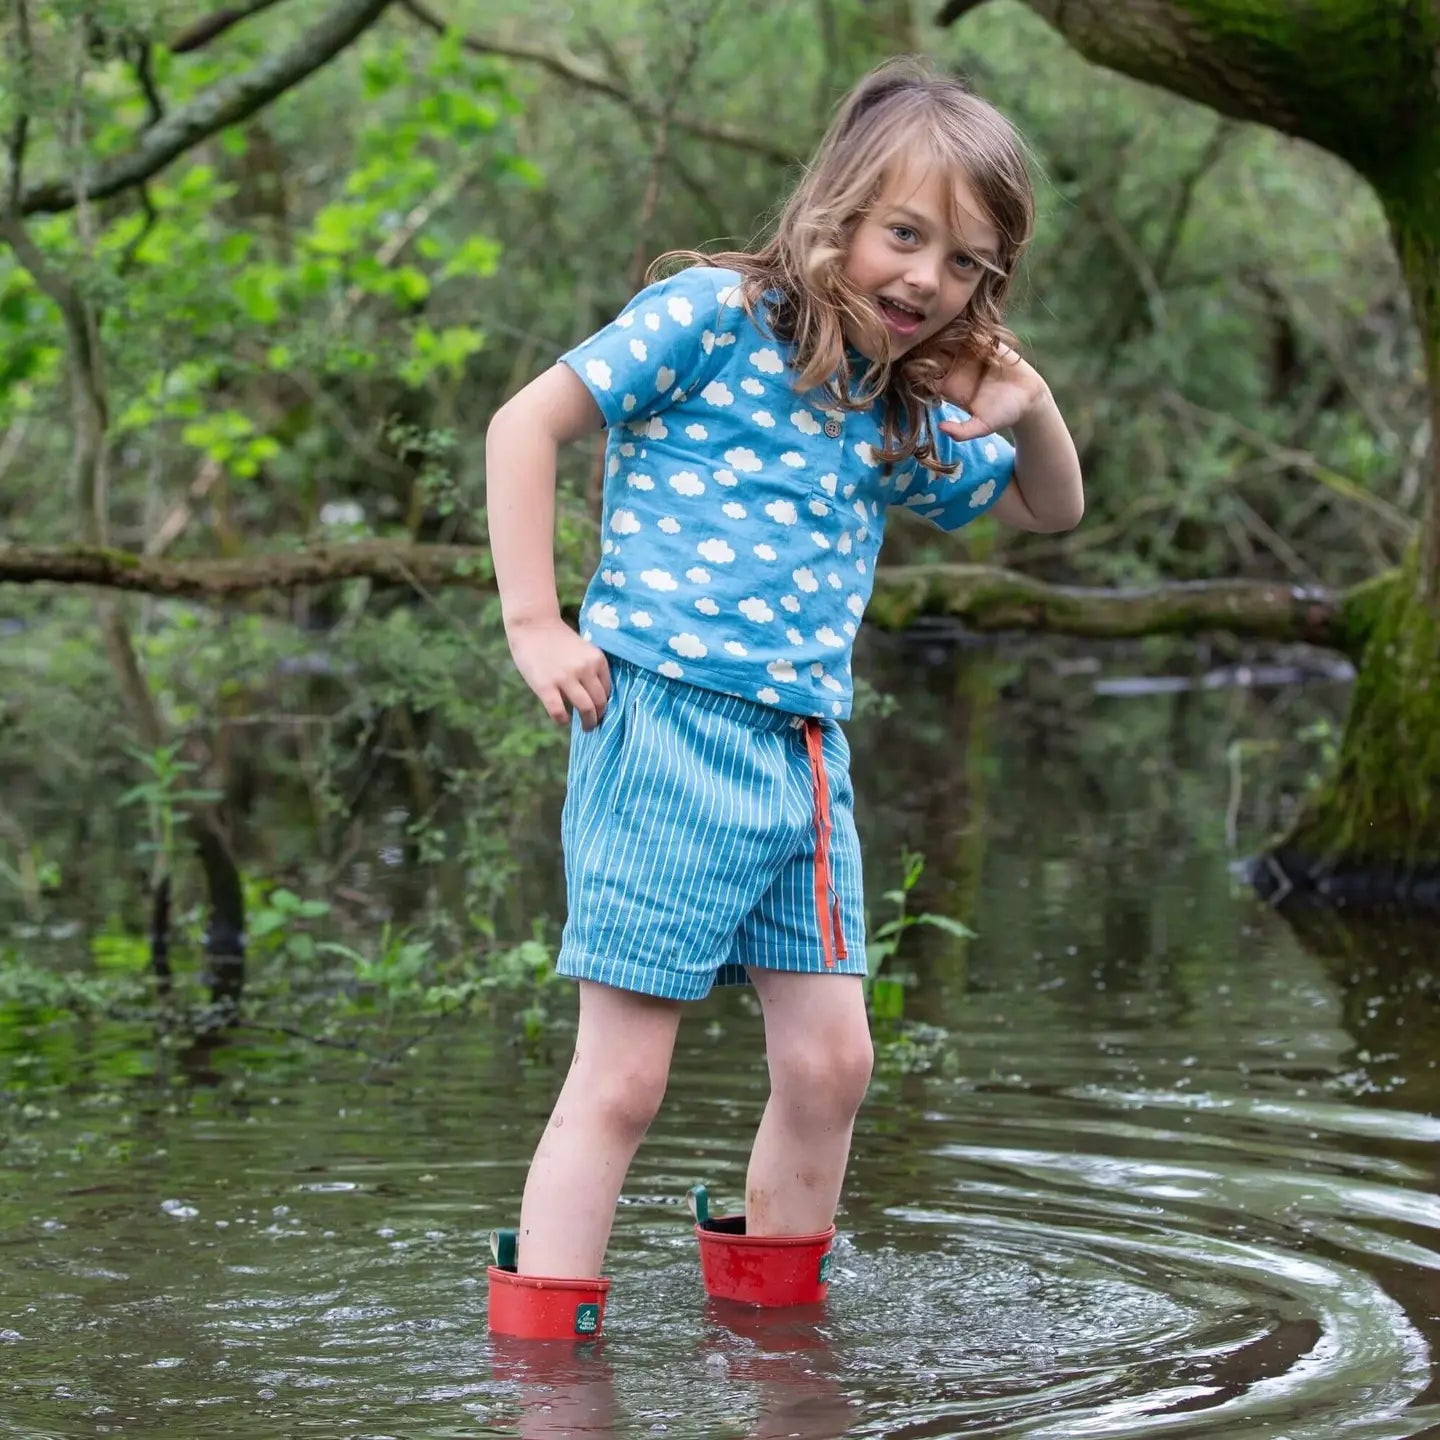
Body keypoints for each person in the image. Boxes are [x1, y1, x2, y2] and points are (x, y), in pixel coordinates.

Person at [483, 55, 1083, 1337]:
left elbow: (1049, 506)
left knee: (832, 1063)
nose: (929, 279)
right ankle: (542, 1376)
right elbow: (522, 426)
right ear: (839, 215)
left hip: (802, 761)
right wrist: (538, 621)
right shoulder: (709, 315)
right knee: (626, 1078)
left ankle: (776, 1350)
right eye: (906, 236)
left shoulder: (891, 402)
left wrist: (1029, 405)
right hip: (662, 726)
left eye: (968, 263)